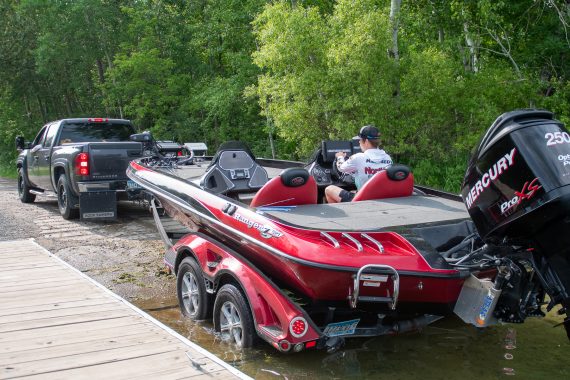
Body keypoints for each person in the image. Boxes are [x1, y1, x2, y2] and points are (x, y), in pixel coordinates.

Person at [325, 125, 392, 203]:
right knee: (353, 191)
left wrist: (340, 157)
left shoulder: (358, 157)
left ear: (366, 141)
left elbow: (341, 168)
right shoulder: (387, 158)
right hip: (381, 197)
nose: (359, 142)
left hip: (363, 199)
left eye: (360, 140)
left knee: (328, 189)